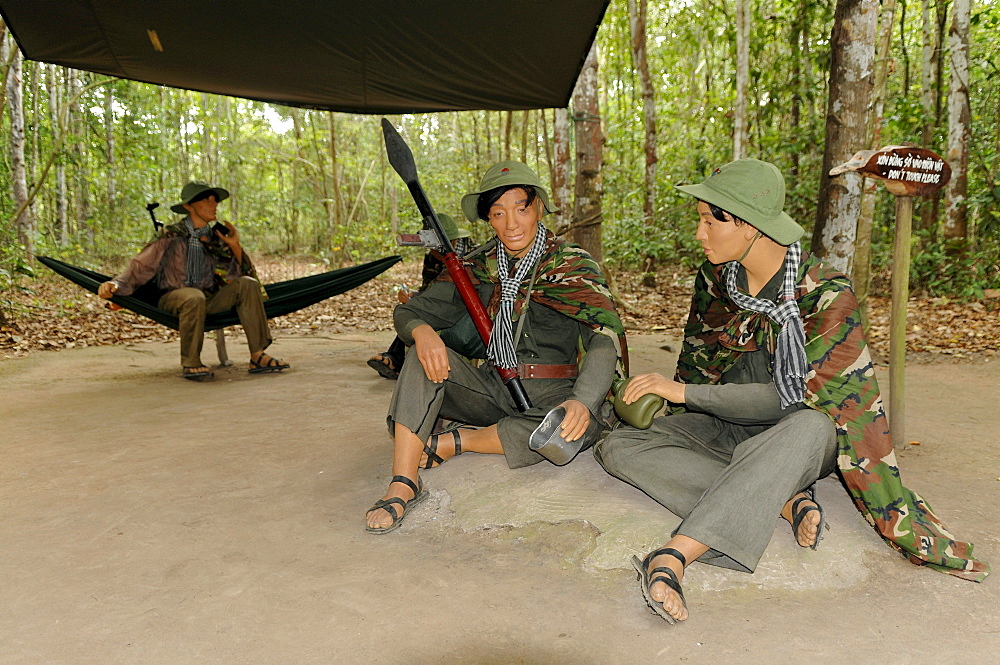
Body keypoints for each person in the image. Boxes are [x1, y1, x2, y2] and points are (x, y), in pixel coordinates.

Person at [596, 158, 988, 624]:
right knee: (618, 446)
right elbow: (699, 362)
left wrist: (684, 394)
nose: (699, 233)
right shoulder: (717, 279)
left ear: (750, 227)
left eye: (708, 220)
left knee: (806, 426)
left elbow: (796, 399)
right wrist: (679, 402)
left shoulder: (824, 294)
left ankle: (674, 555)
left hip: (800, 435)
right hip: (729, 426)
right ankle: (781, 499)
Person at [365, 161, 626, 534]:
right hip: (491, 385)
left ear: (538, 207)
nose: (512, 224)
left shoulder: (572, 265)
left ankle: (462, 440)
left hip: (555, 392)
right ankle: (404, 483)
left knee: (574, 431)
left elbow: (603, 338)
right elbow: (410, 311)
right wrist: (422, 333)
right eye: (498, 214)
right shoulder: (476, 266)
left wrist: (583, 400)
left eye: (521, 208)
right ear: (488, 219)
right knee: (422, 360)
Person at [98, 181, 289, 381]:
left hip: (208, 299)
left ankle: (257, 356)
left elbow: (239, 274)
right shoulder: (171, 235)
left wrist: (235, 246)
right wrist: (117, 284)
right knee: (193, 296)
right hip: (173, 298)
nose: (213, 204)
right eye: (207, 200)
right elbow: (141, 266)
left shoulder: (215, 239)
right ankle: (191, 363)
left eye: (215, 200)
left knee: (248, 284)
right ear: (189, 206)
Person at [367, 213, 479, 380]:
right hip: (439, 305)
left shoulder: (476, 258)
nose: (433, 251)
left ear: (454, 241)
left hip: (467, 311)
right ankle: (396, 359)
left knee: (425, 314)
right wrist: (413, 296)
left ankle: (395, 361)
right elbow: (429, 291)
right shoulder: (432, 259)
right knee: (414, 314)